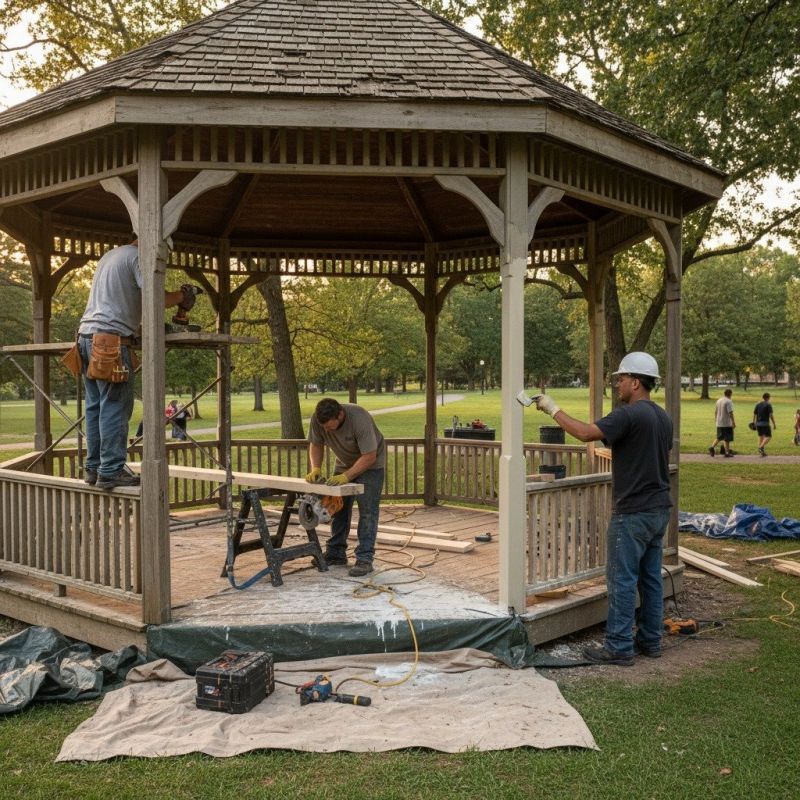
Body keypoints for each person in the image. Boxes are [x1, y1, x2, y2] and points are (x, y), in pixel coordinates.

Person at [532, 352, 672, 666]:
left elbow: (584, 433)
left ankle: (619, 647)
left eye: (621, 379)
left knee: (621, 580)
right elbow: (641, 449)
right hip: (659, 509)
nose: (618, 385)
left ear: (636, 382)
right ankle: (651, 641)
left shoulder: (628, 415)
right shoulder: (662, 417)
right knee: (650, 579)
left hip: (632, 512)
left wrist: (551, 407)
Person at [78, 238, 196, 490]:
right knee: (115, 407)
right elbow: (157, 298)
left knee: (95, 407)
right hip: (110, 343)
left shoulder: (111, 256)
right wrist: (182, 296)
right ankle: (110, 471)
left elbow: (123, 300)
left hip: (87, 338)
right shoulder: (138, 257)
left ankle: (94, 467)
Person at [306, 397, 386, 577]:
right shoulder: (318, 419)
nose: (326, 430)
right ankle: (336, 553)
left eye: (329, 426)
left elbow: (369, 456)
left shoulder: (359, 418)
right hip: (343, 463)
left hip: (371, 465)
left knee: (367, 511)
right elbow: (316, 444)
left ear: (340, 414)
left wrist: (347, 476)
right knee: (339, 508)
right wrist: (316, 468)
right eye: (324, 426)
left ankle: (365, 558)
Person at [708, 388, 735, 457]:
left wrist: (716, 420)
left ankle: (712, 447)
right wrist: (733, 422)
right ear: (730, 394)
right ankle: (727, 452)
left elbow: (715, 412)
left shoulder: (719, 400)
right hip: (726, 422)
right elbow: (730, 412)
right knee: (727, 438)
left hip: (719, 422)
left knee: (719, 437)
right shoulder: (729, 401)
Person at [752, 392, 776, 457]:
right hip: (765, 424)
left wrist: (753, 422)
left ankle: (762, 452)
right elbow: (771, 415)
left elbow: (754, 414)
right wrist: (774, 423)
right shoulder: (768, 404)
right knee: (768, 436)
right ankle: (761, 447)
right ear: (768, 397)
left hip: (758, 424)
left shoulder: (758, 404)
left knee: (761, 437)